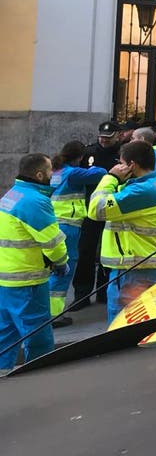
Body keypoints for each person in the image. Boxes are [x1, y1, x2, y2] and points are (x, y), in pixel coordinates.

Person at [87, 140, 156, 325]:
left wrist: (110, 177)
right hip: (150, 264)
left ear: (132, 165)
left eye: (121, 162)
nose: (118, 166)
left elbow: (96, 209)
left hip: (136, 269)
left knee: (123, 324)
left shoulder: (141, 191)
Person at [0, 153, 69, 371]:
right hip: (27, 283)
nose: (53, 175)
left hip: (6, 280)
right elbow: (53, 243)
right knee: (38, 338)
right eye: (51, 171)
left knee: (5, 334)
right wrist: (61, 263)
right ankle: (41, 381)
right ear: (40, 175)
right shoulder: (36, 201)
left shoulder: (12, 195)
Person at [48, 141, 106, 325]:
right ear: (79, 157)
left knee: (53, 270)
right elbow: (100, 174)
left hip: (55, 224)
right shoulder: (73, 173)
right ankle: (54, 316)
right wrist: (92, 165)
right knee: (64, 271)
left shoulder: (56, 171)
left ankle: (47, 313)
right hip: (69, 227)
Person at [72, 120, 122, 310]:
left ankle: (103, 292)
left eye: (108, 137)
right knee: (86, 251)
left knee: (108, 252)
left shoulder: (122, 154)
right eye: (101, 136)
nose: (104, 140)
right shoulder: (89, 152)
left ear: (117, 136)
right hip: (90, 208)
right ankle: (81, 294)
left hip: (112, 208)